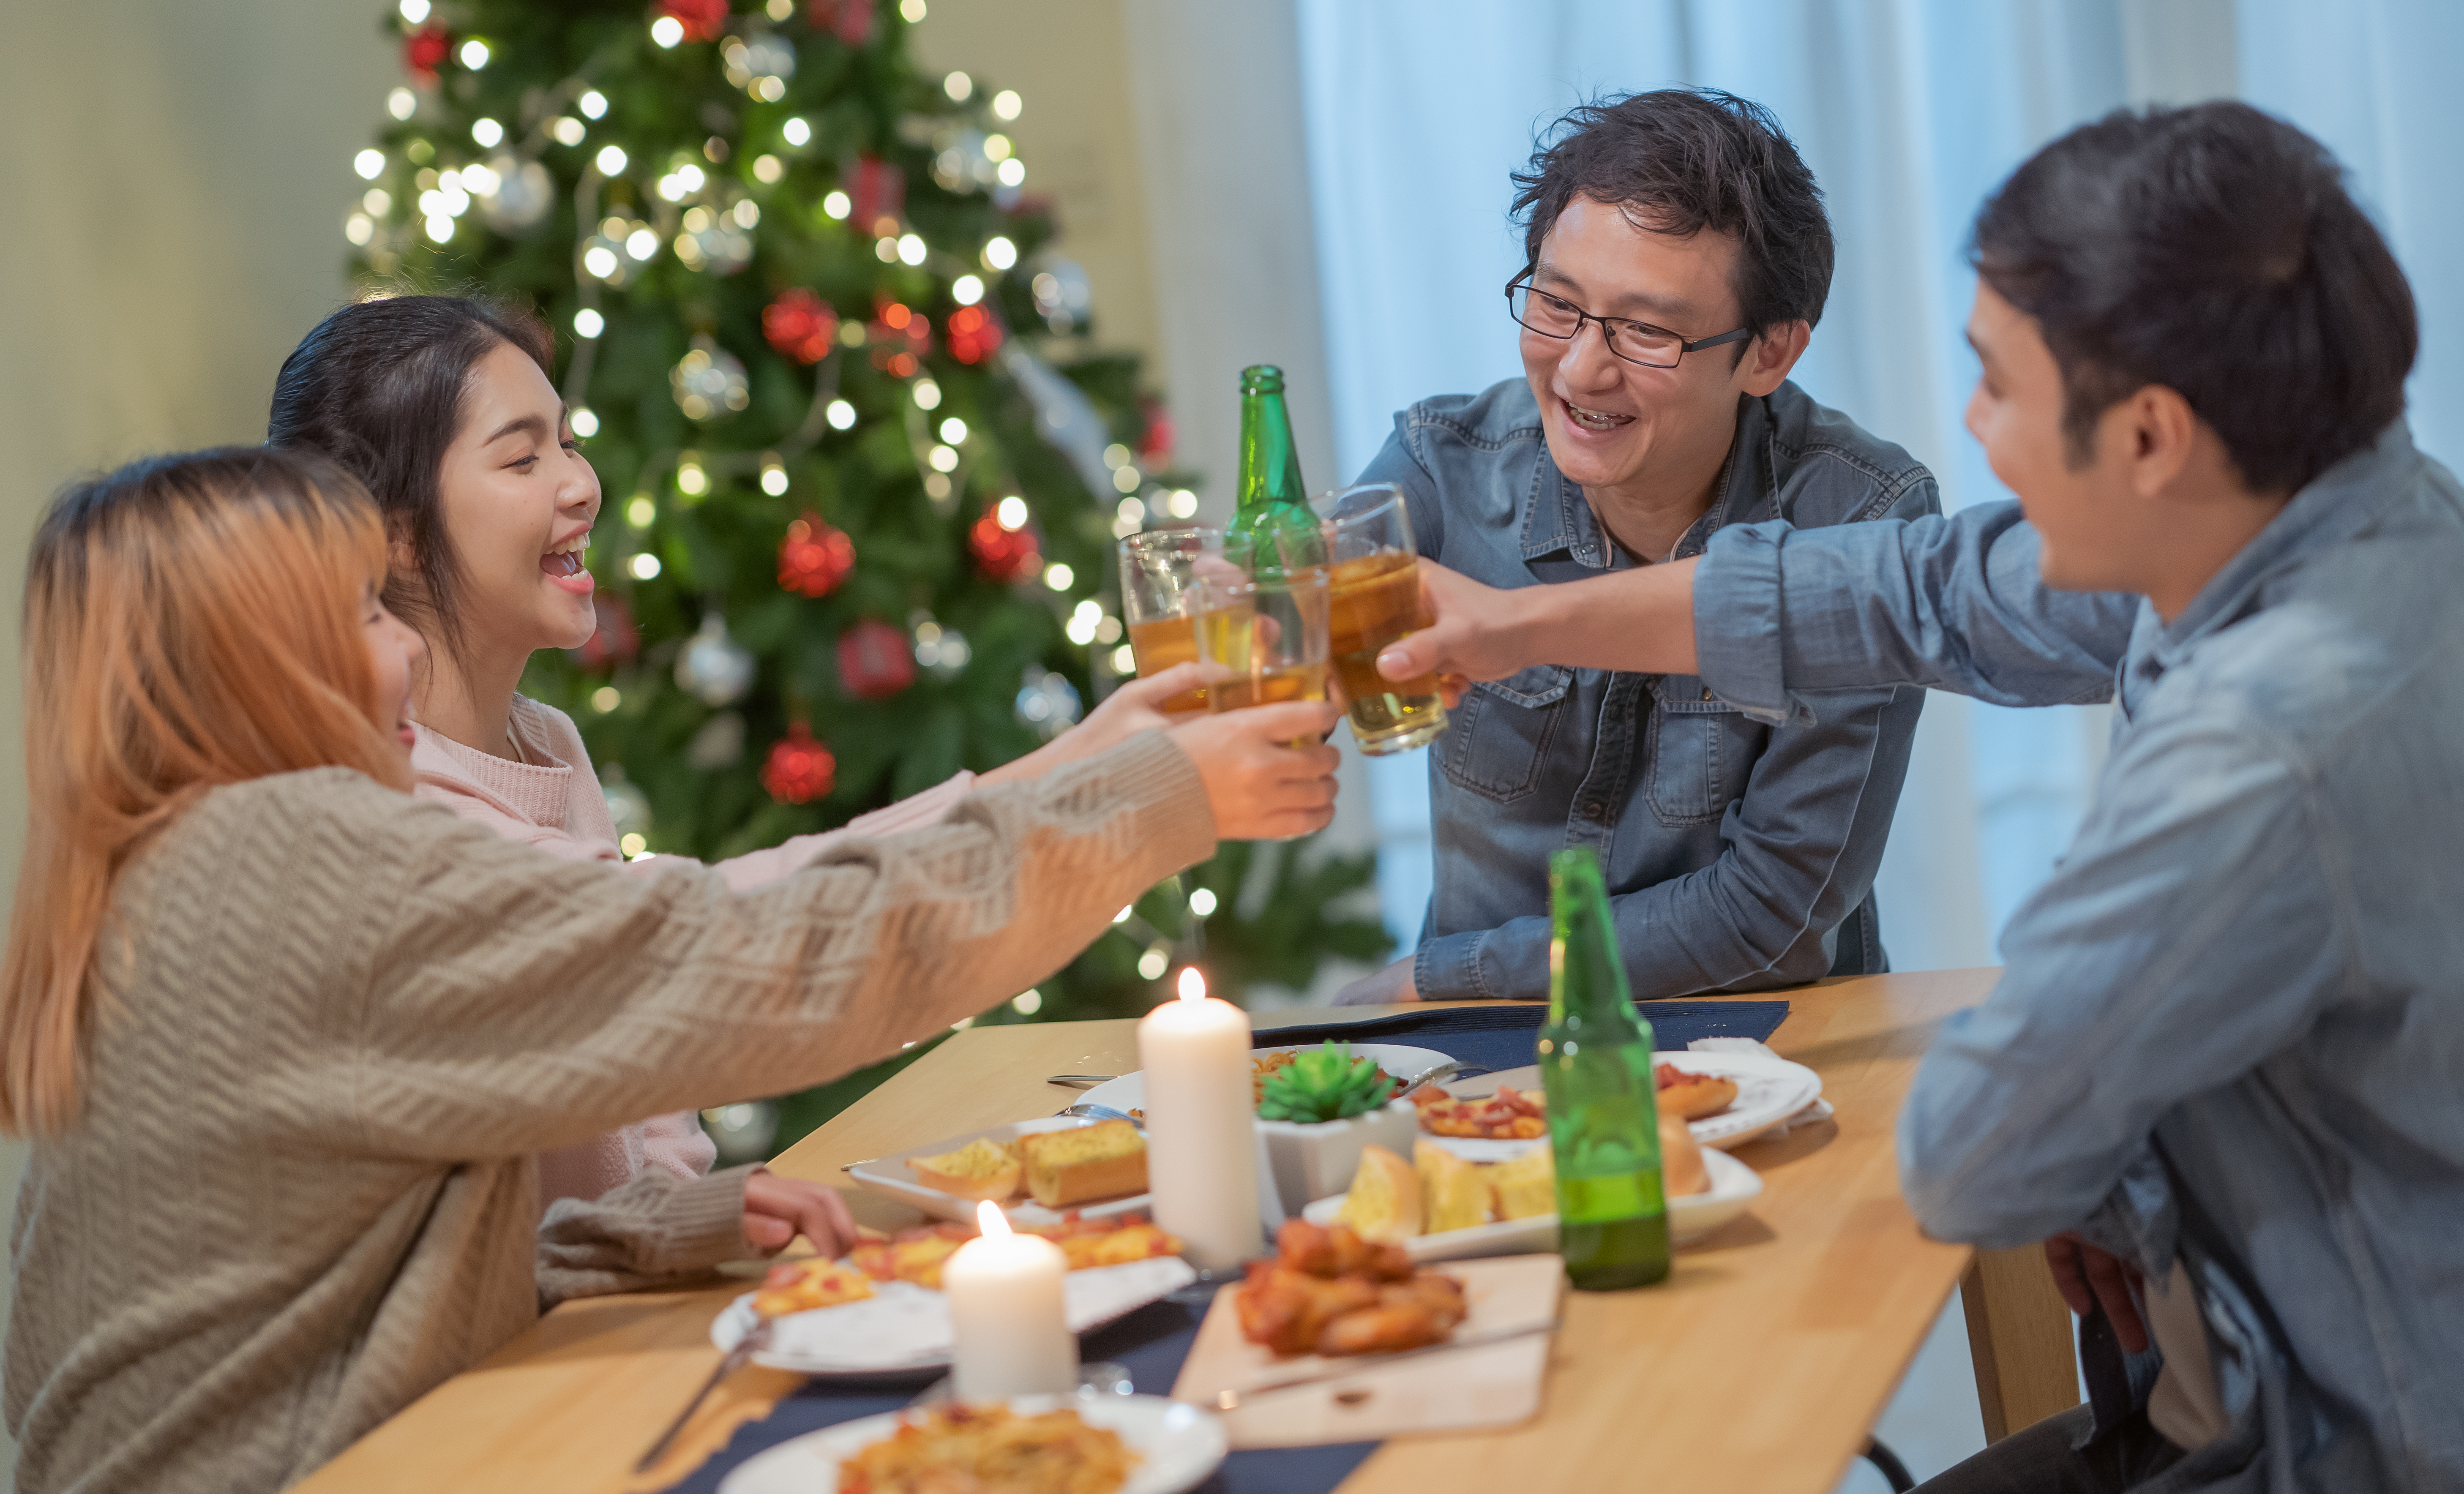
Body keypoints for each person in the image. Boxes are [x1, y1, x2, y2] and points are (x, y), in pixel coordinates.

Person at [1374, 102, 2461, 1491]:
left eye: (1999, 382)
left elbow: (1977, 1152)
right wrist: (1517, 628)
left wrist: (2088, 1141)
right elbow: (1911, 589)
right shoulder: (2358, 510)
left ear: (2147, 437)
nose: (1971, 425)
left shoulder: (2258, 753)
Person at [0, 447, 1338, 1494]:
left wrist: (623, 1239)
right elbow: (761, 965)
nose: (405, 646)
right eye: (362, 612)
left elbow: (289, 1290)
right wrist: (1153, 802)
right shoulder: (299, 861)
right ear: (258, 661)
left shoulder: (156, 869)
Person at [266, 295, 1210, 1229]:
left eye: (568, 441)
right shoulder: (394, 806)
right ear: (390, 531)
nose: (580, 483)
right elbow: (710, 957)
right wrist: (1126, 797)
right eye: (521, 457)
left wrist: (1095, 749)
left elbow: (649, 1099)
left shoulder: (543, 739)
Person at [1333, 89, 1937, 1006]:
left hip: (1764, 1042)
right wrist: (1268, 619)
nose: (1580, 370)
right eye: (1556, 305)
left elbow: (1772, 917)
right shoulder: (1443, 465)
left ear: (1771, 354)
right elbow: (1295, 609)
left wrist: (1444, 976)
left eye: (1647, 331)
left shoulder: (1860, 516)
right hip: (1487, 1068)